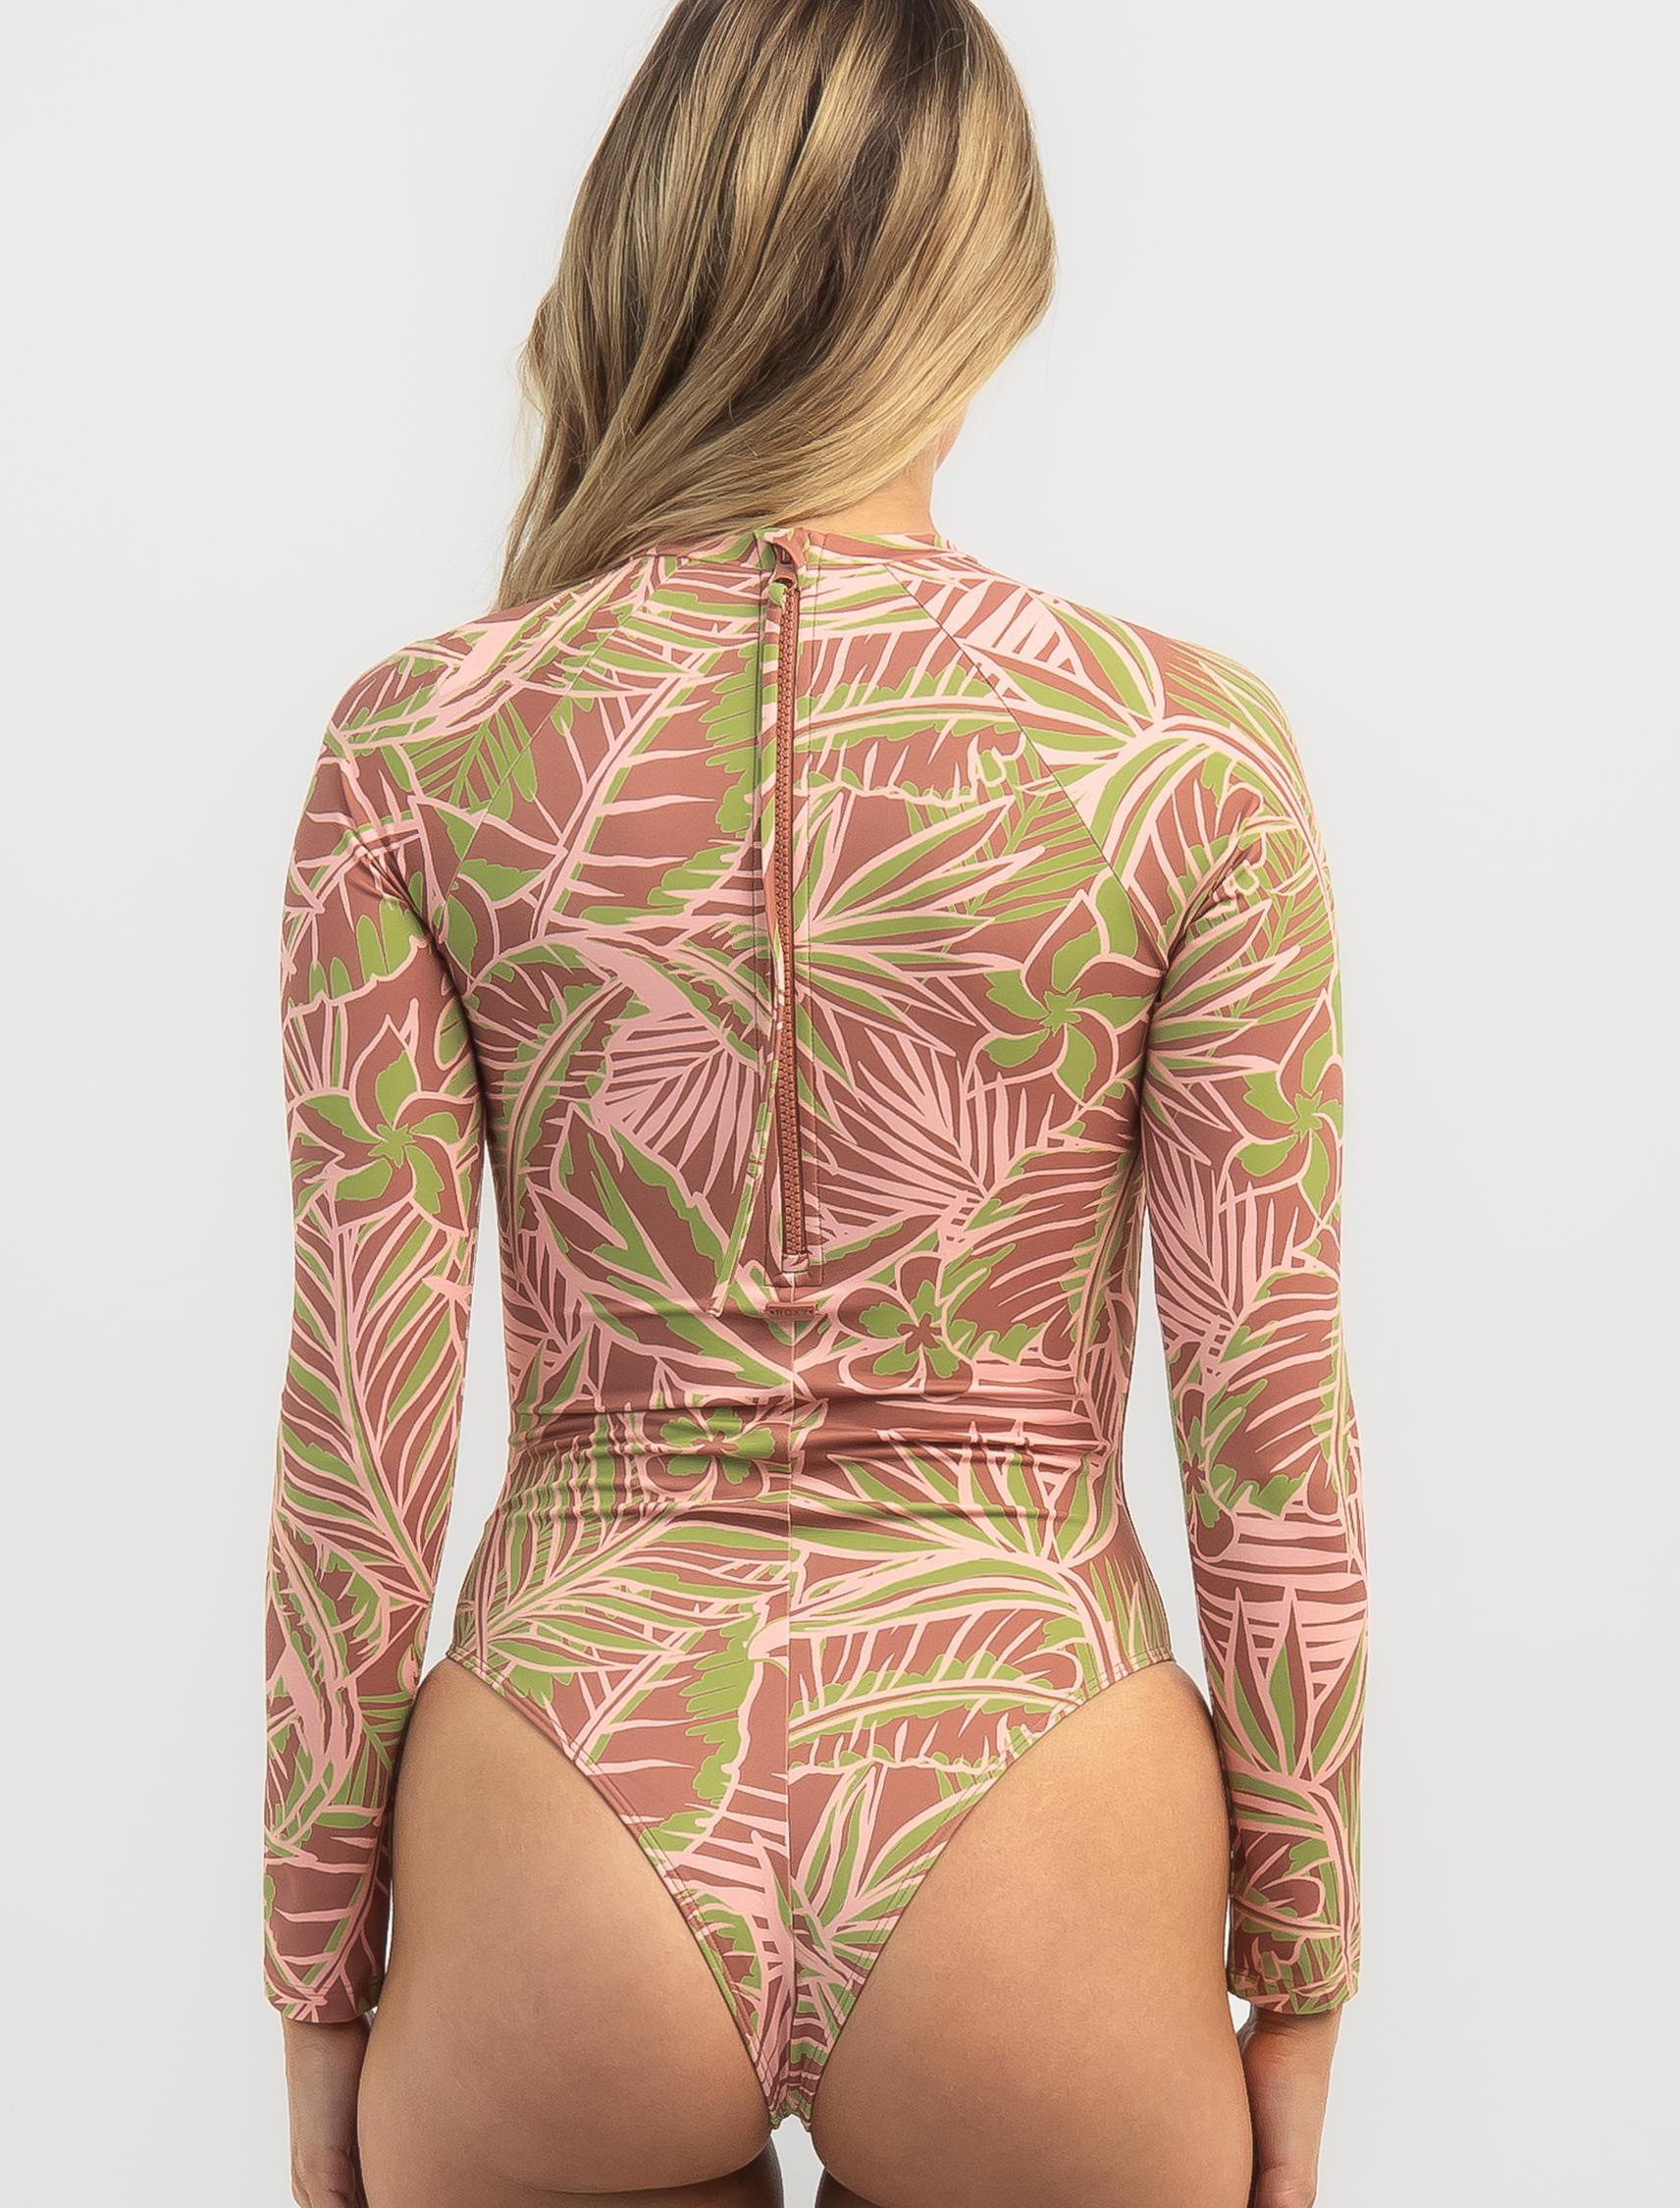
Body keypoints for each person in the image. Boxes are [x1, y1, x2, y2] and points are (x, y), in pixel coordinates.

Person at [261, 4, 1368, 2204]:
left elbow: (361, 1432)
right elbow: (1273, 1441)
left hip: (567, 1784)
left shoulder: (422, 745)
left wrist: (318, 1986)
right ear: (991, 282)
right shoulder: (1184, 752)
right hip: (1038, 1775)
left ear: (643, 253)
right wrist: (1305, 1983)